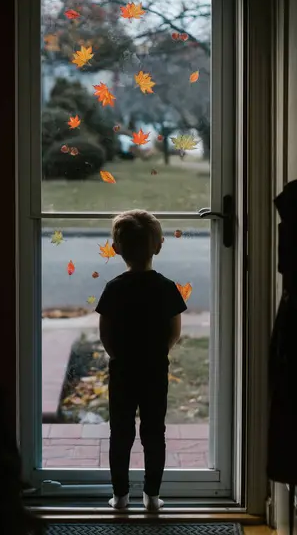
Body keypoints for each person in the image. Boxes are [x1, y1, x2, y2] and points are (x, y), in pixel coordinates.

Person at [95, 209, 187, 511]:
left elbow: (105, 333)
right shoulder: (166, 287)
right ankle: (151, 496)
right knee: (153, 431)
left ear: (116, 248)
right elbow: (174, 332)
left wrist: (119, 355)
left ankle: (120, 496)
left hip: (122, 369)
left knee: (120, 432)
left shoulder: (114, 288)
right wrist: (159, 351)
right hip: (155, 368)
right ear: (158, 245)